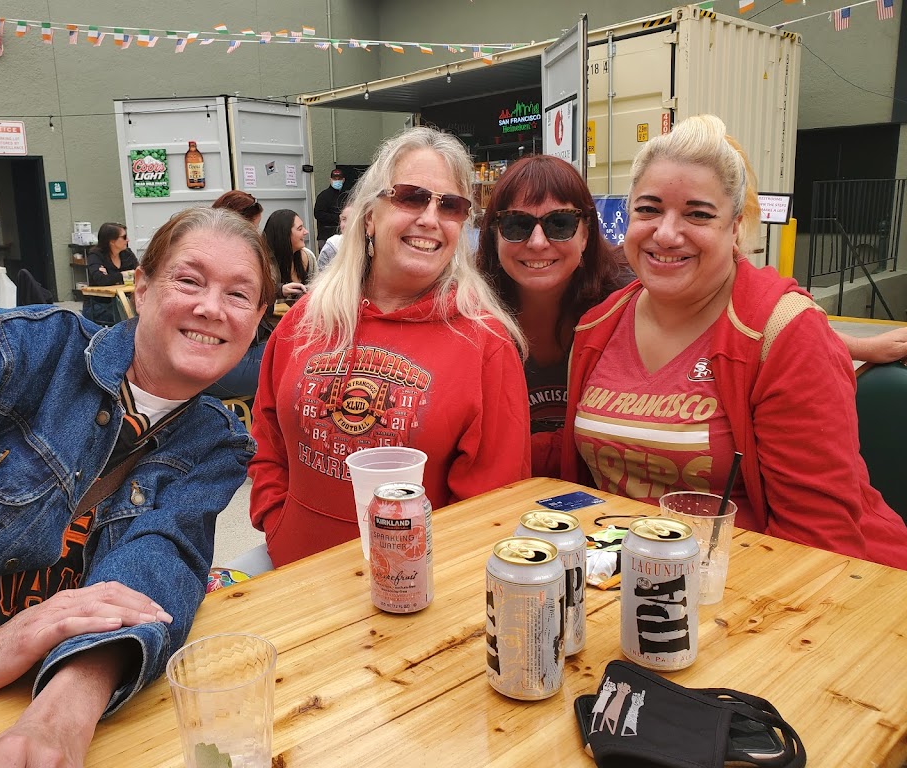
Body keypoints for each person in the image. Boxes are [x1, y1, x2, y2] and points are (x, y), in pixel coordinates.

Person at [0, 206, 275, 764]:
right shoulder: (19, 352)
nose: (210, 308)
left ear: (259, 317)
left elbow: (154, 566)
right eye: (189, 280)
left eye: (239, 295)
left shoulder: (214, 442)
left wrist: (66, 708)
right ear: (141, 287)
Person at [560, 114, 907, 568]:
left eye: (698, 214)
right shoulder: (595, 327)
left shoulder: (786, 333)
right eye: (648, 209)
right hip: (633, 590)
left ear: (737, 226)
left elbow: (819, 545)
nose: (665, 233)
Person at [249, 126, 532, 566]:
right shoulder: (307, 320)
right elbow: (267, 437)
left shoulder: (486, 343)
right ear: (369, 216)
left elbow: (490, 511)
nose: (430, 219)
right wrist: (276, 521)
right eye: (410, 196)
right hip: (295, 579)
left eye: (451, 205)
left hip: (413, 600)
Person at [476, 155, 632, 475]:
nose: (537, 242)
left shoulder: (628, 308)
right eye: (516, 224)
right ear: (494, 236)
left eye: (559, 223)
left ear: (586, 234)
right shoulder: (468, 315)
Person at [206, 190, 270, 399]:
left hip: (215, 360)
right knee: (297, 357)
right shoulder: (233, 260)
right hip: (218, 365)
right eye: (254, 227)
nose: (257, 234)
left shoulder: (209, 249)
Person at [83, 222, 140, 326]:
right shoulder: (95, 255)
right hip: (100, 304)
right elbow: (101, 280)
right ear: (112, 241)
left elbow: (140, 273)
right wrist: (124, 274)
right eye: (124, 237)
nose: (128, 240)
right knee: (129, 317)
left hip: (125, 301)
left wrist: (112, 276)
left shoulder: (126, 253)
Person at [262, 208, 316, 300]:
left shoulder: (308, 256)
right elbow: (261, 295)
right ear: (284, 235)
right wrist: (279, 291)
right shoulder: (264, 263)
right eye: (300, 229)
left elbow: (315, 291)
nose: (306, 232)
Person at [313, 167, 346, 251]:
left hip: (342, 235)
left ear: (343, 180)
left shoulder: (345, 196)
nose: (337, 181)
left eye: (339, 179)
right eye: (335, 179)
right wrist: (337, 218)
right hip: (326, 236)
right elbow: (318, 214)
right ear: (330, 180)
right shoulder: (323, 196)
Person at [317, 205, 351, 272]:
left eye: (352, 220)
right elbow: (321, 278)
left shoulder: (371, 248)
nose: (346, 225)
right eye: (343, 219)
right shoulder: (332, 247)